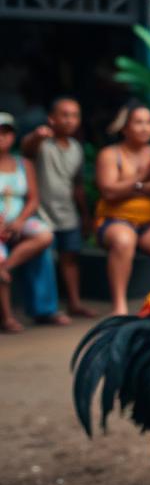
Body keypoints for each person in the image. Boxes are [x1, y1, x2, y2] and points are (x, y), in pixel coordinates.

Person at [94, 102, 150, 315]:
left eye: (149, 122)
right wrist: (141, 180)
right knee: (124, 241)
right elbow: (109, 192)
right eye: (138, 122)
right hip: (115, 219)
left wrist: (131, 186)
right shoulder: (110, 154)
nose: (145, 128)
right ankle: (119, 305)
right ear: (125, 127)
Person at [20, 97, 94, 317]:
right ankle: (45, 309)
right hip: (42, 212)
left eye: (75, 115)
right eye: (65, 115)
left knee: (70, 258)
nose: (70, 120)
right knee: (45, 260)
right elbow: (26, 148)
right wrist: (37, 135)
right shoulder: (42, 143)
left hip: (67, 212)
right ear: (52, 118)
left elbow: (78, 186)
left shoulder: (77, 148)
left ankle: (74, 303)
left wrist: (85, 215)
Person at [0, 113, 64, 332]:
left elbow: (33, 199)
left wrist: (19, 222)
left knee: (45, 237)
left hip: (19, 221)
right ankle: (7, 317)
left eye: (6, 132)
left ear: (13, 136)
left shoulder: (23, 164)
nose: (2, 137)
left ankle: (7, 270)